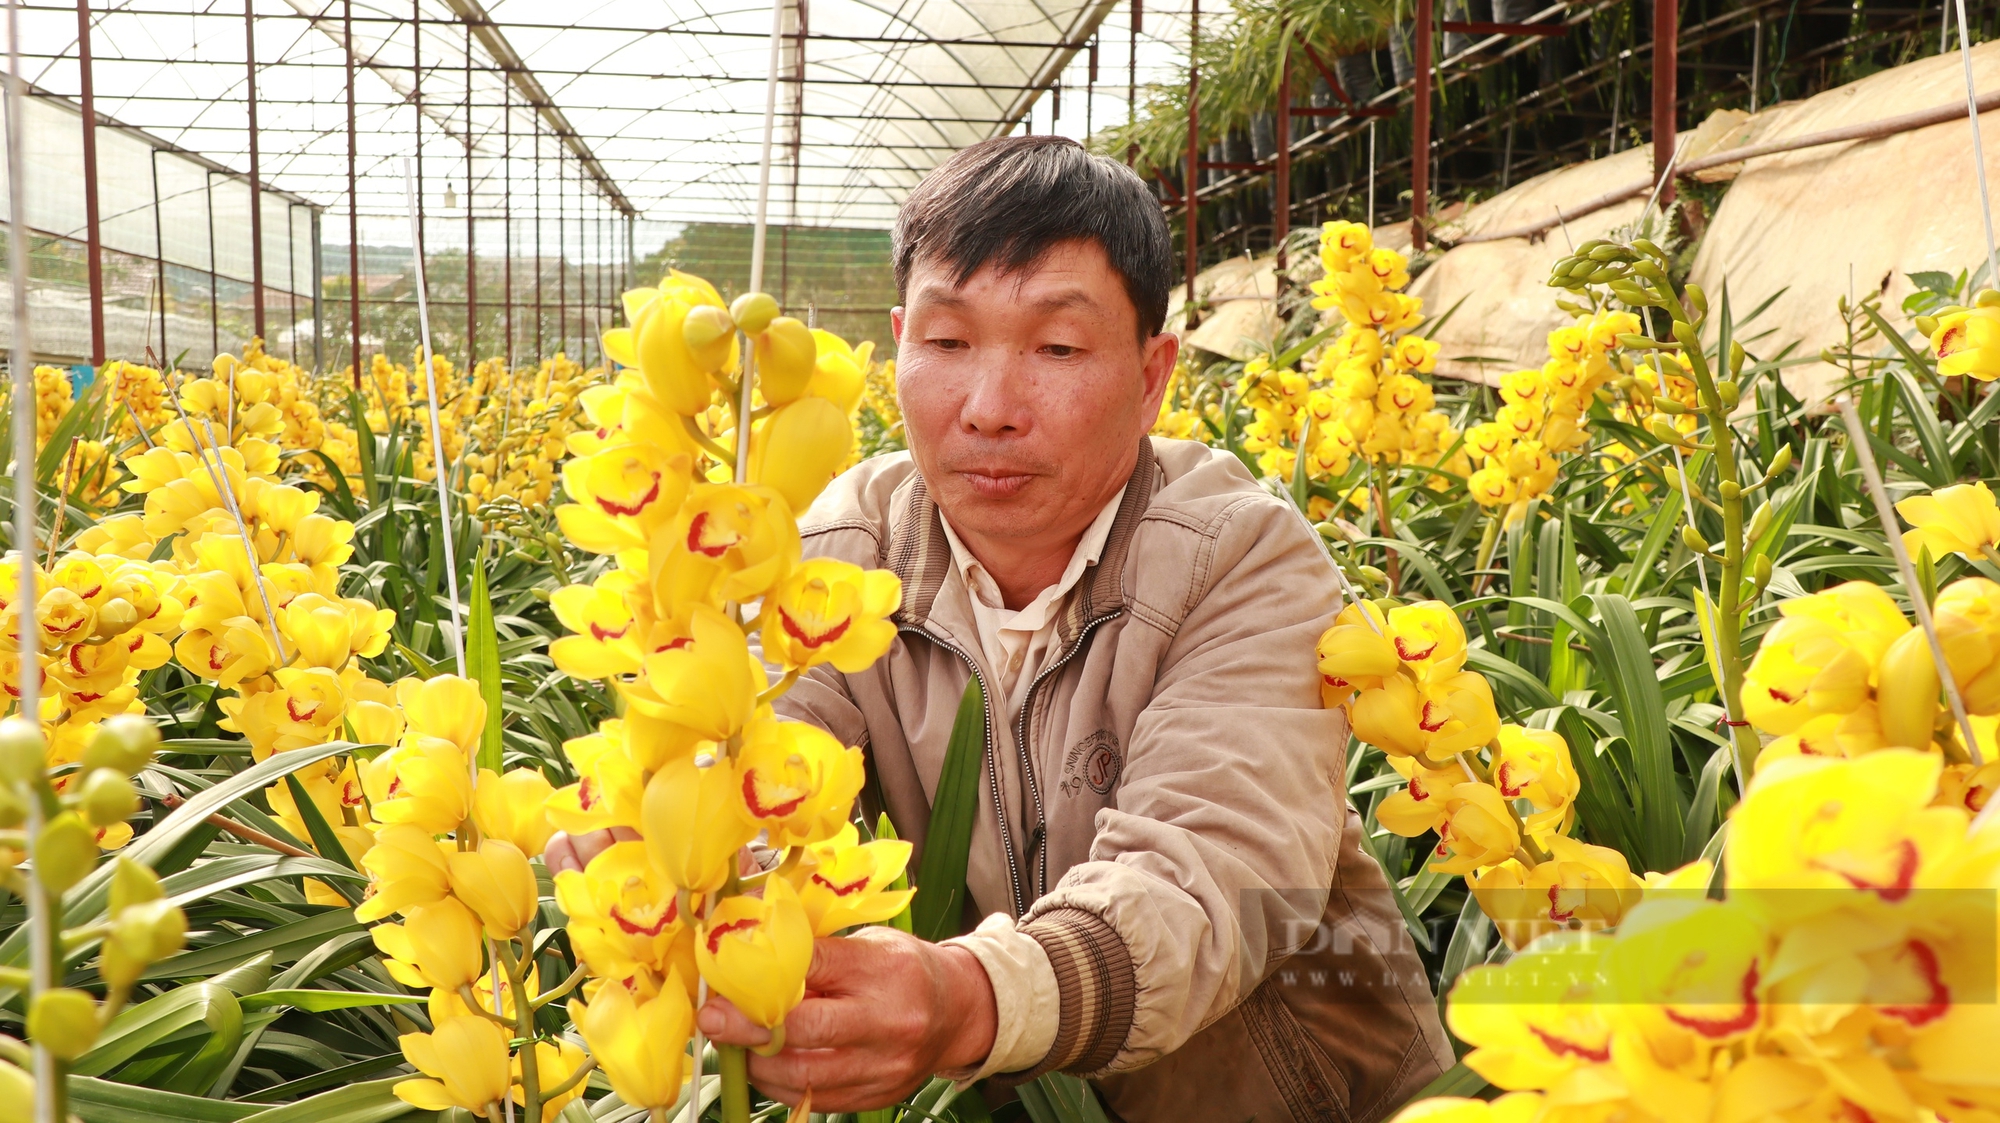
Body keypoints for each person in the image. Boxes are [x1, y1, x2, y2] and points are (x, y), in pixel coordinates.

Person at [547, 135, 1450, 1122]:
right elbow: (751, 742)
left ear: (1151, 375)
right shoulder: (842, 550)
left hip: (1302, 1096)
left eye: (1056, 349)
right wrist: (659, 841)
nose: (987, 408)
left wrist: (970, 1002)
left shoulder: (1238, 557)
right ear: (896, 341)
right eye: (944, 343)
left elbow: (1212, 874)